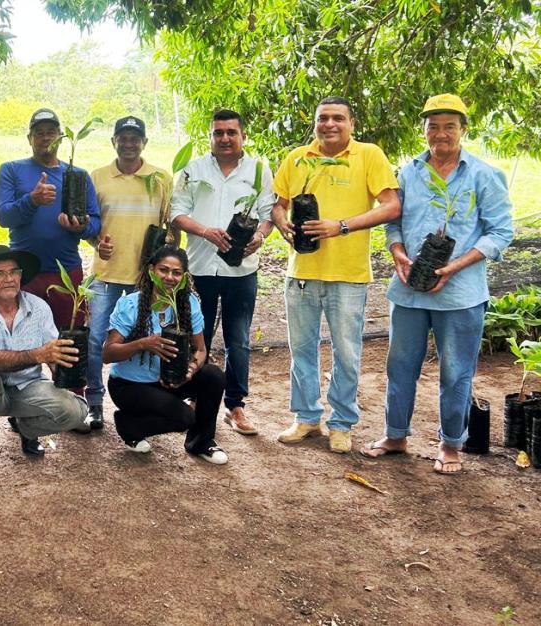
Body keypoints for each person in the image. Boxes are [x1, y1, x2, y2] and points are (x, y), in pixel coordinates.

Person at [361, 94, 513, 474]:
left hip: (461, 294)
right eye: (433, 125)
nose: (440, 133)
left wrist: (457, 265)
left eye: (449, 125)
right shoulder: (409, 172)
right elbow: (393, 221)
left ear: (463, 129)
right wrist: (396, 250)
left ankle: (451, 444)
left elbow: (501, 232)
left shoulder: (483, 175)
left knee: (456, 371)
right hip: (410, 290)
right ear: (424, 129)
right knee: (400, 367)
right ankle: (396, 435)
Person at [271, 96, 400, 454]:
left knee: (347, 352)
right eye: (322, 118)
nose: (329, 124)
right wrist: (282, 225)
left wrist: (340, 226)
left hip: (348, 274)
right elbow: (278, 204)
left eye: (337, 118)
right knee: (301, 349)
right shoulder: (297, 158)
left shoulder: (368, 155)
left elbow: (391, 206)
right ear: (315, 123)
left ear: (351, 123)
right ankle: (307, 417)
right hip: (301, 271)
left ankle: (342, 422)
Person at [170, 109, 274, 436]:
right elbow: (177, 213)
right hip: (199, 268)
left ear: (243, 135)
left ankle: (236, 405)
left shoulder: (258, 170)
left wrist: (259, 236)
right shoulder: (193, 169)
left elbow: (268, 214)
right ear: (211, 137)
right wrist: (204, 231)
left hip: (241, 271)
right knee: (194, 336)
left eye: (231, 132)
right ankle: (194, 396)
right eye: (219, 133)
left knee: (238, 340)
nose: (225, 138)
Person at [0, 245, 91, 481]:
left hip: (28, 385)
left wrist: (67, 370)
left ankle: (27, 427)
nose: (9, 279)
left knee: (76, 410)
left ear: (20, 276)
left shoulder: (39, 307)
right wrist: (39, 355)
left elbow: (53, 354)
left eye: (14, 272)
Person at [85, 115, 173, 430]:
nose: (129, 143)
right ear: (114, 142)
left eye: (135, 138)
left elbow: (169, 226)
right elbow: (90, 224)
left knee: (148, 339)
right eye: (123, 137)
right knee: (97, 339)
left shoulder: (161, 178)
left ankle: (145, 401)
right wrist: (96, 242)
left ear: (144, 143)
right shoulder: (97, 177)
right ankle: (95, 403)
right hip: (107, 274)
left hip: (145, 278)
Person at [102, 246, 228, 462]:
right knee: (184, 417)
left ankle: (201, 442)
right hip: (130, 385)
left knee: (213, 375)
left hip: (169, 381)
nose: (169, 277)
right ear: (151, 271)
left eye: (176, 272)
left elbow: (200, 350)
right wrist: (142, 344)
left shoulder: (188, 303)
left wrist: (190, 369)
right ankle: (129, 426)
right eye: (164, 270)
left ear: (184, 277)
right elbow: (107, 354)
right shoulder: (130, 305)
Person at [0, 108, 101, 330]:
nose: (45, 138)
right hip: (24, 272)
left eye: (51, 132)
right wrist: (31, 200)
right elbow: (3, 216)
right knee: (24, 337)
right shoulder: (11, 170)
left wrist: (81, 227)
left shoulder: (78, 175)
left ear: (61, 137)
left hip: (66, 271)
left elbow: (95, 223)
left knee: (69, 337)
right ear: (29, 139)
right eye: (39, 132)